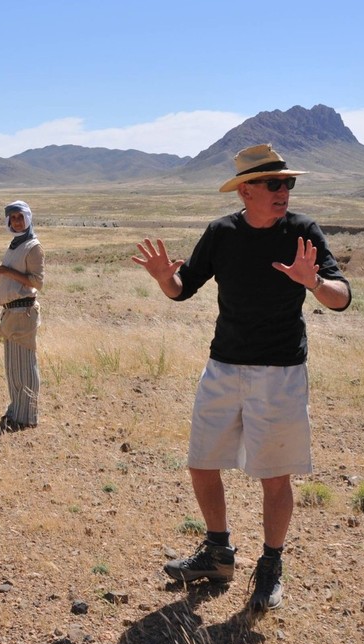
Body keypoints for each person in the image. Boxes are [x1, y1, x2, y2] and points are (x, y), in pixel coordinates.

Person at [131, 143, 351, 613]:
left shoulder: (303, 232)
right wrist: (161, 279)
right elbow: (181, 288)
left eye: (288, 183)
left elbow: (341, 297)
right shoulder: (222, 233)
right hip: (224, 366)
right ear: (246, 191)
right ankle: (218, 552)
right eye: (274, 184)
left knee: (274, 474)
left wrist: (312, 282)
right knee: (202, 461)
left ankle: (270, 565)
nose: (284, 191)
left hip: (280, 372)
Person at [0, 200, 45, 431]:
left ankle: (28, 416)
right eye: (12, 218)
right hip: (11, 312)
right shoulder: (16, 244)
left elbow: (37, 282)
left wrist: (8, 272)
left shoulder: (33, 246)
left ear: (28, 218)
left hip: (24, 312)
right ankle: (16, 412)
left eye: (20, 217)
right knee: (13, 367)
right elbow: (15, 278)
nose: (16, 221)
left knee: (25, 365)